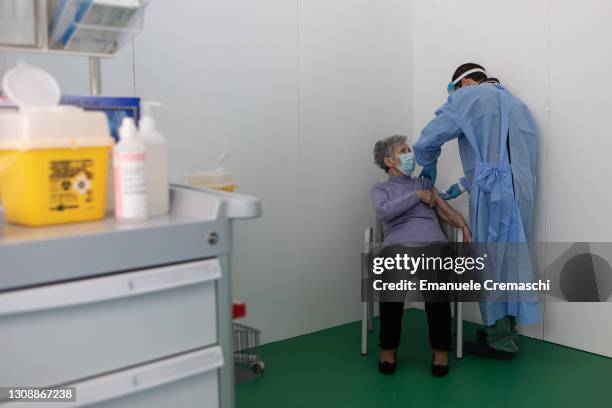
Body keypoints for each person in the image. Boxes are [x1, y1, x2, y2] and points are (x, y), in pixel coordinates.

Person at [413, 63, 540, 360]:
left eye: (454, 89)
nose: (454, 95)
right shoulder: (517, 105)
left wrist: (428, 162)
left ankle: (499, 341)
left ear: (466, 82)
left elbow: (428, 139)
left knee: (490, 262)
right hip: (522, 193)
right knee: (512, 259)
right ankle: (506, 329)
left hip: (494, 196)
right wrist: (461, 185)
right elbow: (504, 159)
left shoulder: (467, 98)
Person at [371, 135, 472, 377]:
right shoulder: (381, 189)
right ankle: (388, 348)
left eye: (408, 150)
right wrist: (416, 196)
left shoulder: (425, 183)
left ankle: (440, 351)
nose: (409, 155)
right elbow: (384, 213)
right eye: (403, 151)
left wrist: (463, 226)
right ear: (389, 161)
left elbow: (448, 214)